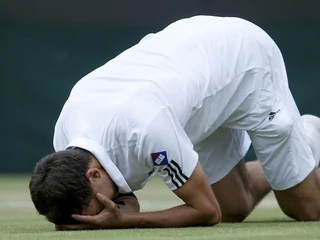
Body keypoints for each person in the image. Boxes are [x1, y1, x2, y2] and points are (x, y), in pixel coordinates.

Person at [29, 15, 320, 230]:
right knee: (234, 207)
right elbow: (216, 210)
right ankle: (291, 158)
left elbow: (207, 212)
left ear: (93, 176)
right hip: (195, 89)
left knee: (304, 207)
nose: (101, 214)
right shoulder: (67, 145)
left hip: (245, 62)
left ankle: (308, 137)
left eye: (95, 210)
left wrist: (122, 222)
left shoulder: (146, 129)